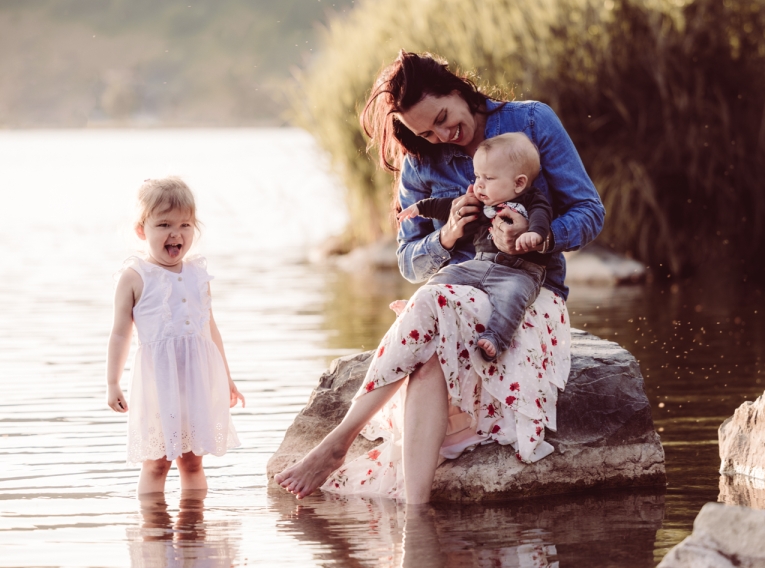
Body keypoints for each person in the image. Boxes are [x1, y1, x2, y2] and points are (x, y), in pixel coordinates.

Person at [274, 51, 604, 504]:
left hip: (525, 292)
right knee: (430, 341)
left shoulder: (531, 123)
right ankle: (416, 512)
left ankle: (341, 438)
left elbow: (590, 212)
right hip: (457, 290)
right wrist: (446, 237)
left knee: (431, 308)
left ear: (460, 89)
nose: (443, 136)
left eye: (444, 119)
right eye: (427, 132)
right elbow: (410, 262)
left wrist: (536, 238)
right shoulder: (421, 161)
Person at [106, 177, 245, 495]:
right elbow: (118, 334)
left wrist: (226, 378)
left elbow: (210, 329)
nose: (176, 233)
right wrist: (112, 382)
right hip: (158, 383)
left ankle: (195, 533)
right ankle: (154, 535)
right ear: (142, 230)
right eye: (164, 224)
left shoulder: (198, 274)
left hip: (197, 381)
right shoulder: (135, 276)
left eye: (185, 225)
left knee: (193, 461)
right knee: (156, 462)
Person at [398, 131, 552, 360]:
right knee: (446, 275)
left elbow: (541, 216)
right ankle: (416, 307)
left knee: (512, 298)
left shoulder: (532, 199)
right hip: (479, 264)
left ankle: (496, 339)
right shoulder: (481, 202)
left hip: (519, 272)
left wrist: (535, 234)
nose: (478, 185)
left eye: (488, 179)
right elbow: (445, 205)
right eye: (477, 176)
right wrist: (418, 208)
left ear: (519, 183)